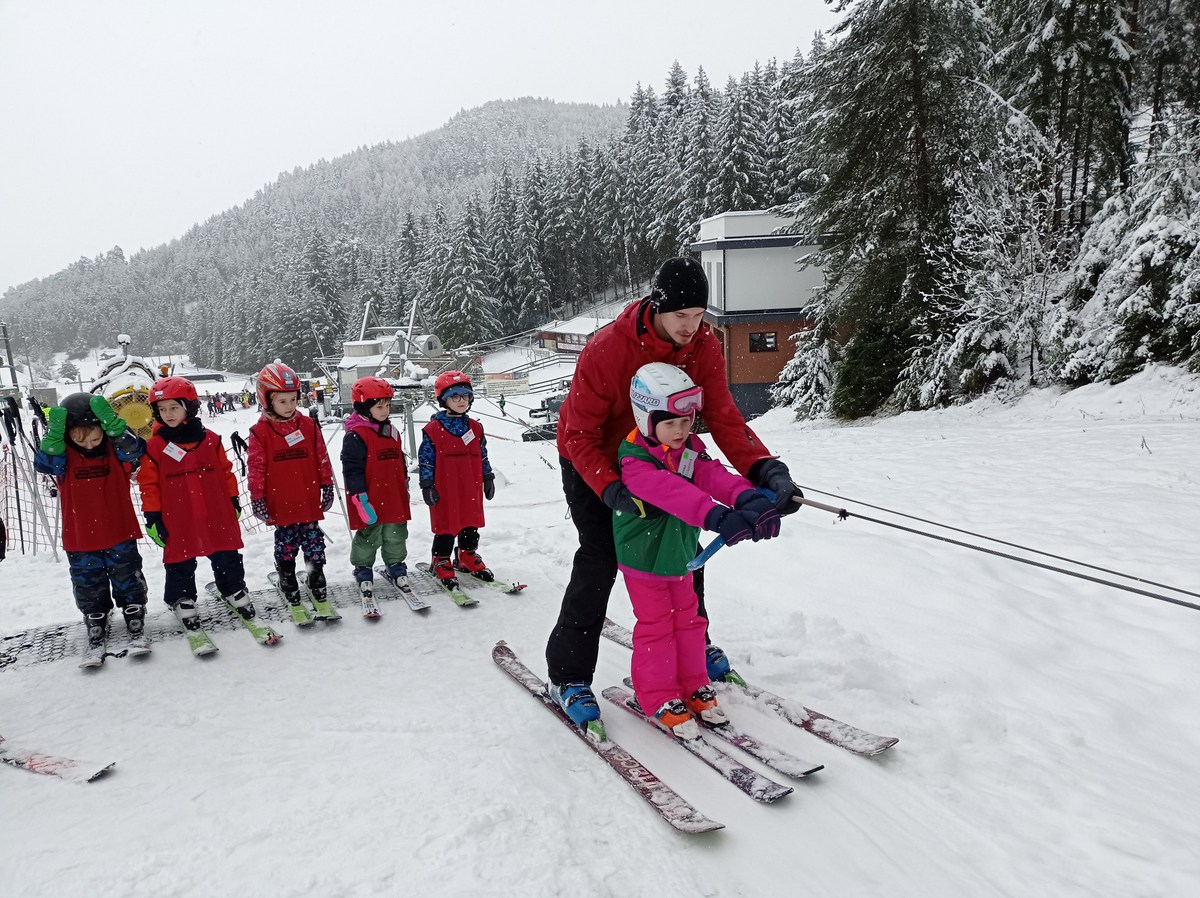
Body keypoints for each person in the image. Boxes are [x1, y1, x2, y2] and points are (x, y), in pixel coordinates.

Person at [546, 256, 801, 727]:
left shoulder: (703, 344)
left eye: (699, 315)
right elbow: (579, 434)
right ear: (657, 307)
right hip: (595, 459)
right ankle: (569, 675)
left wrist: (764, 469)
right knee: (601, 557)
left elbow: (723, 416)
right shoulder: (608, 349)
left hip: (667, 456)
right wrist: (610, 488)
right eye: (681, 315)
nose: (691, 326)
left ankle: (693, 646)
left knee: (684, 551)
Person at [616, 364, 780, 738]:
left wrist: (748, 498)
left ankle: (694, 684)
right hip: (644, 557)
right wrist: (717, 516)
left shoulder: (686, 449)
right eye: (670, 423)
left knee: (689, 620)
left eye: (686, 421)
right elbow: (676, 494)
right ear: (646, 418)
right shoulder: (635, 461)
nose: (681, 430)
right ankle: (658, 695)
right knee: (657, 625)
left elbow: (710, 475)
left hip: (679, 553)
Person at [34, 392, 150, 655]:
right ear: (67, 437)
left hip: (119, 530)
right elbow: (44, 464)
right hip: (81, 535)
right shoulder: (63, 457)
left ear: (104, 432)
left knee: (126, 574)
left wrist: (116, 428)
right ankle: (95, 614)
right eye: (80, 440)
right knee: (87, 581)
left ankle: (133, 609)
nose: (88, 445)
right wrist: (54, 436)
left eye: (95, 438)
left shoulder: (114, 450)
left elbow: (135, 450)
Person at [137, 376, 250, 629]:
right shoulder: (155, 447)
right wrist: (153, 515)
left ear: (189, 407)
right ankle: (181, 598)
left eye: (173, 407)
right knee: (180, 558)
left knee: (225, 552)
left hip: (215, 511)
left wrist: (233, 499)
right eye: (162, 409)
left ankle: (233, 588)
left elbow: (226, 472)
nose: (168, 414)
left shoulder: (211, 440)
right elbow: (149, 484)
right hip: (178, 515)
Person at [248, 361, 335, 605]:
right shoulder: (260, 432)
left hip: (307, 497)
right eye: (282, 401)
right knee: (286, 542)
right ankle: (287, 577)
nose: (289, 406)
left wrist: (327, 485)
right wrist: (257, 497)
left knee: (313, 540)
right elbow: (256, 468)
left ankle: (316, 576)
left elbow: (321, 457)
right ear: (267, 400)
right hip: (281, 501)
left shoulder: (308, 426)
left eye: (293, 400)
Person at [418, 370, 496, 584]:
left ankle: (466, 555)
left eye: (466, 396)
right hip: (445, 486)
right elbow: (426, 459)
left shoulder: (475, 428)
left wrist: (488, 476)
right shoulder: (433, 430)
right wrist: (427, 484)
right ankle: (441, 558)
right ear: (444, 400)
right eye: (455, 396)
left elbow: (482, 454)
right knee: (446, 523)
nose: (462, 401)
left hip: (470, 484)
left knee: (471, 520)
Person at [341, 376, 412, 597]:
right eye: (379, 406)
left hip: (393, 494)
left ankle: (395, 563)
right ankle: (363, 567)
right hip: (370, 496)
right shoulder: (356, 435)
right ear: (364, 407)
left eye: (387, 405)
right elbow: (352, 469)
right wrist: (360, 498)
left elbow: (399, 460)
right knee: (369, 535)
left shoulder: (392, 431)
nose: (385, 411)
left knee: (396, 532)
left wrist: (405, 483)